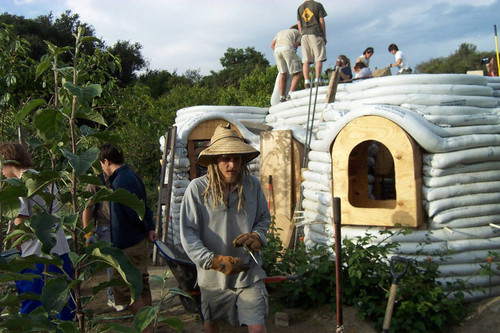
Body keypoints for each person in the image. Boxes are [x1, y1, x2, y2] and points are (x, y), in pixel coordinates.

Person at [180, 123, 271, 333]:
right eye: (225, 158)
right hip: (213, 277)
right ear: (214, 161)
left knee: (258, 328)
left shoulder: (252, 186)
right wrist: (214, 261)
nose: (232, 164)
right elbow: (189, 234)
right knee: (211, 325)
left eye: (236, 158)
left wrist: (257, 236)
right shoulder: (198, 190)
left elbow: (263, 218)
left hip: (248, 272)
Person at [0, 142, 75, 320]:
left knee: (32, 311)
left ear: (8, 160)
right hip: (60, 250)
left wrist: (14, 247)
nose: (1, 171)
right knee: (62, 307)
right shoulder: (44, 178)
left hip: (36, 256)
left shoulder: (18, 185)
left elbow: (21, 225)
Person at [98, 143, 157, 330]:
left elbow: (134, 212)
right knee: (142, 284)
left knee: (127, 289)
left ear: (106, 161)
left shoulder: (120, 181)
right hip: (138, 240)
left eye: (101, 164)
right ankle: (151, 325)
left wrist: (144, 226)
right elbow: (145, 206)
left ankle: (145, 328)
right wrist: (149, 228)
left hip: (127, 244)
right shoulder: (132, 176)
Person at [82, 172, 125, 311]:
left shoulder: (121, 177)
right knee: (112, 263)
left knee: (123, 262)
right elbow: (87, 207)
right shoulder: (96, 181)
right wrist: (88, 233)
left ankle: (124, 295)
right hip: (105, 227)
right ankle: (113, 297)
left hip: (122, 227)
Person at [297, 0, 327, 88]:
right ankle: (317, 79)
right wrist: (324, 35)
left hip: (304, 35)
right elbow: (321, 20)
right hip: (315, 32)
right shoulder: (317, 5)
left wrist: (301, 34)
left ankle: (306, 81)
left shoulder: (300, 8)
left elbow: (299, 23)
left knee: (306, 60)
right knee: (319, 57)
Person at [271, 24, 303, 102]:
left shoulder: (281, 32)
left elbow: (272, 45)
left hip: (277, 51)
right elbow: (296, 45)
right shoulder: (299, 33)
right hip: (288, 49)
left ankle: (282, 97)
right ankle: (290, 94)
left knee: (283, 74)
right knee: (298, 73)